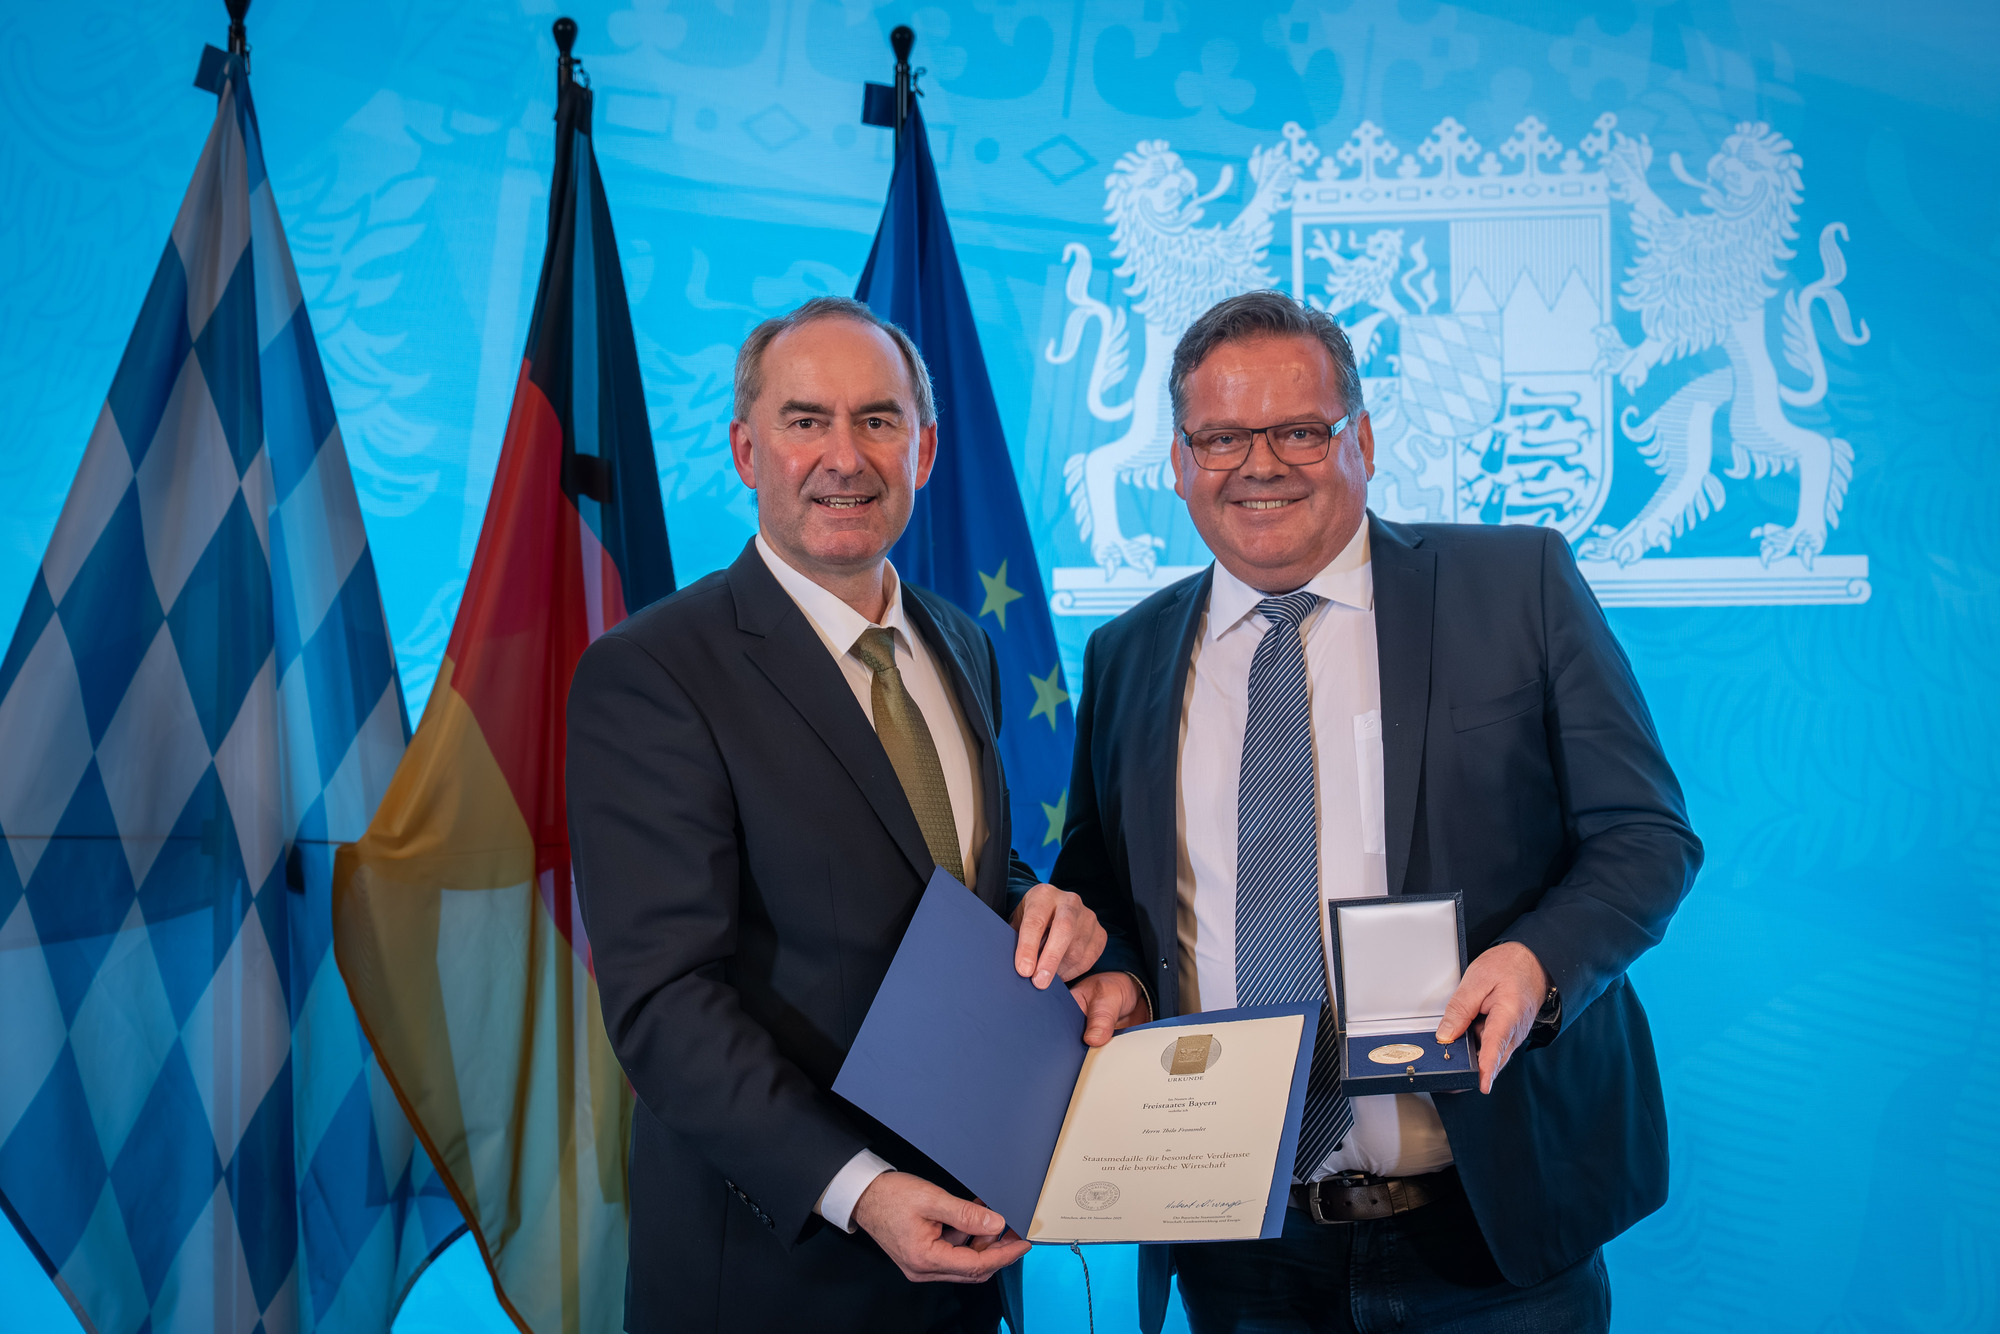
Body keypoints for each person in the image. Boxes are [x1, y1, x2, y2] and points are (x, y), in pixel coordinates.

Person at [1054, 290, 1702, 1334]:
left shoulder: (1513, 584)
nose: (1257, 464)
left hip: (1488, 1232)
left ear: (1358, 439)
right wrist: (1110, 966)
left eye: (1297, 430)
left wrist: (1537, 960)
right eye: (1220, 437)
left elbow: (1644, 835)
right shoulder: (1124, 654)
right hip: (1236, 1243)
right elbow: (1102, 891)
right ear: (1178, 461)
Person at [567, 296, 1119, 1333]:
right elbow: (663, 1000)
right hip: (776, 1271)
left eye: (877, 419)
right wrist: (859, 1187)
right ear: (744, 448)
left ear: (926, 447)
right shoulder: (651, 672)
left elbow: (937, 874)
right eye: (804, 419)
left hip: (967, 1247)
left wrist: (1037, 900)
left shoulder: (958, 641)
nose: (843, 455)